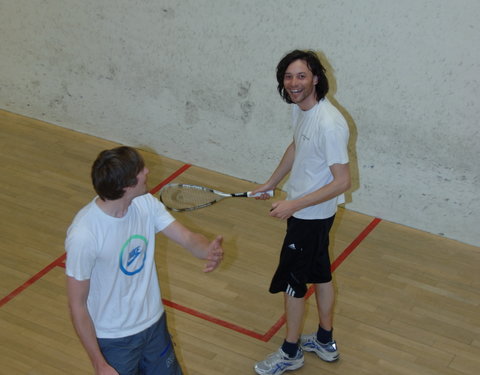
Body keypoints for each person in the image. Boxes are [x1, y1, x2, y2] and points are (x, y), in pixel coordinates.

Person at [65, 146, 224, 375]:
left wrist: (207, 249)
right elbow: (76, 305)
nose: (147, 171)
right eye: (141, 170)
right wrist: (99, 363)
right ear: (126, 186)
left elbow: (188, 238)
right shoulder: (85, 234)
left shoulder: (144, 204)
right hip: (114, 339)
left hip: (154, 324)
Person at [252, 50, 351, 375]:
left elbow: (342, 182)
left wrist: (293, 204)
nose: (294, 83)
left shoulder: (330, 124)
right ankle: (324, 339)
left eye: (301, 76)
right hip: (312, 215)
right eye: (289, 76)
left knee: (294, 285)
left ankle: (290, 351)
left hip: (310, 217)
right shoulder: (302, 110)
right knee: (321, 275)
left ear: (316, 79)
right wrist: (271, 182)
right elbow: (297, 147)